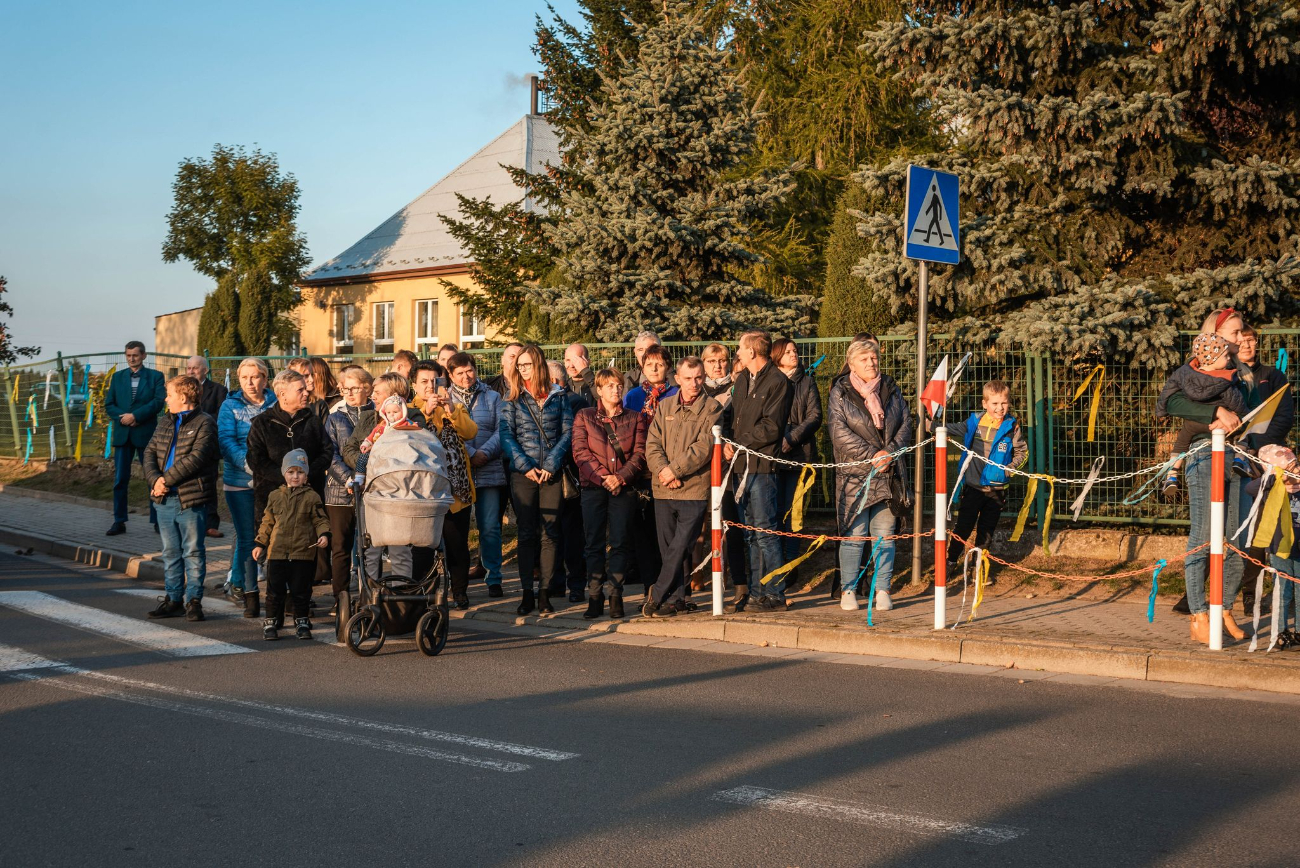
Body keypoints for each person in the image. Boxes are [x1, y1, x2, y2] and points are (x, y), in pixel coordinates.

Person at [1163, 308, 1252, 644]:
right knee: (1202, 536)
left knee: (1235, 540)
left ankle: (1223, 608)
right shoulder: (1193, 369)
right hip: (1203, 454)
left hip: (1239, 458)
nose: (1240, 338)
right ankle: (1199, 613)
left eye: (1242, 331)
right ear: (1214, 334)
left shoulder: (1243, 372)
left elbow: (1253, 413)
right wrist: (1215, 411)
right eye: (1233, 332)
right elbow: (1172, 403)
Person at [829, 338, 913, 613]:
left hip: (888, 474)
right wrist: (873, 456)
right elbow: (839, 432)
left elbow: (905, 424)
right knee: (854, 536)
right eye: (864, 359)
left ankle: (882, 589)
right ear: (852, 363)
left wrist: (889, 452)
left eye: (874, 358)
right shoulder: (840, 391)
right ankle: (849, 589)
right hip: (855, 476)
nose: (871, 363)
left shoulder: (891, 388)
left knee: (884, 536)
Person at [499, 344, 575, 615]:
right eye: (519, 365)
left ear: (539, 365)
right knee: (527, 533)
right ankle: (526, 594)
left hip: (551, 474)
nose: (522, 369)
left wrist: (552, 464)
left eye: (527, 364)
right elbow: (507, 436)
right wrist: (526, 466)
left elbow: (568, 433)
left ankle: (545, 592)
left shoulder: (559, 396)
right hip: (524, 475)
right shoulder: (512, 399)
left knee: (550, 534)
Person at [645, 357, 722, 617]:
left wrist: (675, 470)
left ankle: (657, 594)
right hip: (663, 488)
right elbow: (652, 444)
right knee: (668, 547)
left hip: (693, 489)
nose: (694, 383)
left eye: (699, 377)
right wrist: (664, 471)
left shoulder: (712, 408)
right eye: (688, 378)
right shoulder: (665, 405)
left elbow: (703, 448)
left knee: (681, 545)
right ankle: (677, 599)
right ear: (677, 379)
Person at [724, 330, 794, 612]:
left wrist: (739, 443)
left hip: (763, 467)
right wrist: (729, 442)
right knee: (751, 533)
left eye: (740, 348)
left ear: (752, 351)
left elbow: (772, 427)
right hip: (741, 465)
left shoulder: (778, 382)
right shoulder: (742, 380)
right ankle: (756, 592)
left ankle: (775, 593)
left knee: (766, 531)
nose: (737, 353)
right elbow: (734, 417)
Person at [571, 368, 647, 619]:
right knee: (593, 543)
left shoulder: (635, 418)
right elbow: (581, 453)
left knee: (620, 542)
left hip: (623, 489)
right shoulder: (585, 416)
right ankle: (594, 596)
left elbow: (639, 454)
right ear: (599, 390)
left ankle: (616, 594)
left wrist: (620, 478)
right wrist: (604, 478)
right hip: (594, 488)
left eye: (618, 385)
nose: (616, 390)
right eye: (610, 386)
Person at [143, 375, 219, 622]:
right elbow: (150, 452)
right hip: (164, 499)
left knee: (193, 552)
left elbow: (197, 458)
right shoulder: (165, 421)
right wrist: (155, 480)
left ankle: (194, 601)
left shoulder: (205, 423)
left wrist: (165, 480)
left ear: (183, 397)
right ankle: (173, 599)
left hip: (190, 498)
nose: (166, 399)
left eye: (170, 394)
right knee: (170, 551)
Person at [411, 360, 478, 609]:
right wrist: (426, 412)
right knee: (424, 546)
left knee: (457, 543)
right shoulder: (408, 409)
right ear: (414, 385)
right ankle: (425, 594)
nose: (430, 386)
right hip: (423, 492)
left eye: (434, 381)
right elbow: (411, 436)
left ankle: (459, 591)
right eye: (424, 382)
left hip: (455, 489)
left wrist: (450, 408)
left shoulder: (455, 407)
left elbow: (471, 432)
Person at [342, 372, 420, 581]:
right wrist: (369, 463)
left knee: (400, 547)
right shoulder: (368, 417)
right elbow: (349, 448)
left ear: (394, 395)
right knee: (370, 547)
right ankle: (370, 595)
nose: (372, 395)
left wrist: (380, 461)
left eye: (377, 391)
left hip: (399, 492)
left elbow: (413, 453)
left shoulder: (414, 418)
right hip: (370, 490)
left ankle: (401, 597)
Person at [944, 380, 1029, 567]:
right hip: (973, 487)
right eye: (995, 403)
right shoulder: (975, 422)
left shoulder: (1011, 427)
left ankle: (977, 568)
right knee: (963, 528)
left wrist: (1010, 470)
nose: (1000, 408)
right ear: (985, 404)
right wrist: (930, 425)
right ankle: (950, 562)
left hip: (996, 490)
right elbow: (953, 428)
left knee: (986, 532)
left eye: (1004, 403)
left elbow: (1023, 452)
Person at [217, 358, 277, 615]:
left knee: (272, 537)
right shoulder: (229, 405)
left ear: (265, 379)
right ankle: (241, 585)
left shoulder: (276, 402)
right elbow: (226, 440)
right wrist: (251, 465)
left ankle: (272, 591)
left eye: (256, 377)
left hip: (272, 480)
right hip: (240, 480)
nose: (251, 383)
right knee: (246, 537)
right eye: (245, 378)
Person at [1158, 334, 1250, 499]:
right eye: (1226, 355)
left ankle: (1172, 474)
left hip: (1194, 422)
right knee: (1243, 434)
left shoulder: (1186, 373)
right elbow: (1238, 404)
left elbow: (1168, 390)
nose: (1229, 359)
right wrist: (1239, 415)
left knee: (1181, 442)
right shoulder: (1225, 378)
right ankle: (1240, 458)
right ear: (1213, 358)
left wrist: (1160, 409)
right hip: (1220, 425)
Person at [252, 449, 331, 640]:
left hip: (303, 553)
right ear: (284, 473)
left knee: (301, 591)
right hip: (277, 553)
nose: (295, 476)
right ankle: (271, 621)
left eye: (300, 472)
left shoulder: (312, 497)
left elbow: (321, 520)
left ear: (306, 475)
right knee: (274, 591)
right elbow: (267, 522)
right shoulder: (275, 496)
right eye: (291, 472)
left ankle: (301, 620)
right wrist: (260, 543)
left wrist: (324, 534)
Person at [446, 353, 507, 597]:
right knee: (458, 532)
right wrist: (469, 453)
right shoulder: (444, 399)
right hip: (459, 474)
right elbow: (448, 433)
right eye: (459, 373)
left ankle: (494, 577)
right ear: (450, 375)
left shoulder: (492, 396)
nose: (465, 376)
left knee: (490, 527)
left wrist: (484, 453)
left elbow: (502, 429)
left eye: (469, 370)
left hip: (489, 469)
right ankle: (457, 581)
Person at [245, 370, 332, 535]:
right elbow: (255, 459)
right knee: (275, 555)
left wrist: (306, 474)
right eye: (300, 390)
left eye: (305, 388)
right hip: (273, 502)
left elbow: (327, 452)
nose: (306, 393)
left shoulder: (312, 421)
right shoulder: (262, 423)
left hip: (309, 501)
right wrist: (285, 477)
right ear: (282, 394)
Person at [698, 342, 747, 595]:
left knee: (731, 524)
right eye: (711, 361)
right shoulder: (697, 389)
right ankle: (692, 580)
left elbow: (740, 422)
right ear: (703, 364)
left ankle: (739, 582)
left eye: (722, 360)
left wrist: (730, 443)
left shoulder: (739, 387)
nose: (717, 366)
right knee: (698, 528)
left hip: (728, 465)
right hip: (699, 466)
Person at [771, 337, 823, 569]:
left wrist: (791, 438)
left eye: (795, 351)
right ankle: (777, 561)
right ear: (777, 357)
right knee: (775, 510)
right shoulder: (770, 381)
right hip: (772, 456)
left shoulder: (807, 382)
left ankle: (791, 564)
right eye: (788, 351)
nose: (794, 355)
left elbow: (814, 416)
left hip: (799, 455)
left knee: (795, 513)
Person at [324, 367, 373, 612]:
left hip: (370, 489)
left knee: (369, 545)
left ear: (367, 387)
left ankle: (368, 594)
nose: (349, 393)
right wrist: (349, 479)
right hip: (339, 490)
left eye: (354, 388)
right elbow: (330, 453)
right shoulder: (335, 417)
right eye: (345, 389)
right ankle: (340, 598)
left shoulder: (377, 414)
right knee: (341, 546)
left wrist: (365, 478)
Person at [104, 340, 165, 536]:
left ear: (144, 356)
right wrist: (124, 418)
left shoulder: (155, 376)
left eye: (136, 355)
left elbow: (157, 402)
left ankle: (157, 520)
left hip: (145, 434)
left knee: (153, 478)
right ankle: (119, 521)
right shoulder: (117, 377)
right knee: (120, 479)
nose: (132, 358)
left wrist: (137, 416)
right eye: (129, 355)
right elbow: (109, 404)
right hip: (123, 435)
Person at [1245, 445, 1300, 648]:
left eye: (1296, 464)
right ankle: (1280, 631)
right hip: (1279, 547)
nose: (1296, 470)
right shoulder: (1272, 488)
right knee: (1282, 591)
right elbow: (1249, 489)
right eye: (1291, 466)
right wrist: (1275, 477)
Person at [548, 358, 590, 603]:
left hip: (568, 476)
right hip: (561, 475)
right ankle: (563, 583)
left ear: (553, 380)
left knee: (568, 533)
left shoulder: (574, 403)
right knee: (558, 532)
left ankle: (571, 583)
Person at [186, 354, 227, 538]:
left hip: (209, 446)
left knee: (209, 484)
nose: (191, 371)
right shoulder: (182, 391)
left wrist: (200, 425)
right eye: (189, 368)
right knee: (190, 486)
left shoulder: (219, 390)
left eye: (195, 368)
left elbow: (220, 416)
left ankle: (211, 524)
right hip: (186, 447)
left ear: (205, 370)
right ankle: (192, 524)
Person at [623, 345, 678, 414]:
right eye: (649, 365)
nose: (654, 369)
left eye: (659, 365)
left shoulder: (677, 395)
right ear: (643, 369)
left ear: (668, 368)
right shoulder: (632, 396)